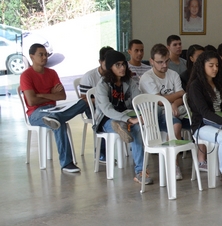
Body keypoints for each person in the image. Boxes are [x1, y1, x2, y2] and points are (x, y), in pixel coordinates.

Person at [20, 43, 89, 173]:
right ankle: (67, 163)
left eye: (46, 54)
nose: (44, 57)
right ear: (32, 57)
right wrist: (51, 95)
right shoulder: (26, 75)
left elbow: (62, 96)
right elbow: (32, 101)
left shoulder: (52, 73)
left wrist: (41, 95)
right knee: (57, 122)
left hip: (54, 109)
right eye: (41, 54)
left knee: (84, 102)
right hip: (36, 113)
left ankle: (100, 129)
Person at [185, 50, 222, 190]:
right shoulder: (195, 86)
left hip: (221, 121)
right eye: (211, 65)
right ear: (202, 66)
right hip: (202, 126)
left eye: (217, 65)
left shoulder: (219, 83)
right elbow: (204, 113)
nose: (215, 69)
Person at [94, 50, 149, 185]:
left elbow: (138, 99)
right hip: (106, 119)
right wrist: (129, 119)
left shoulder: (129, 81)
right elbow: (107, 110)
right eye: (117, 65)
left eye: (123, 64)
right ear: (110, 67)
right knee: (124, 124)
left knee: (136, 128)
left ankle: (141, 172)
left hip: (126, 115)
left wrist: (144, 113)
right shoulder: (102, 85)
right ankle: (122, 125)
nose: (122, 68)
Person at [138, 43, 185, 172]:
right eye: (160, 62)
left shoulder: (173, 74)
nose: (164, 65)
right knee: (176, 125)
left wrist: (174, 103)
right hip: (154, 117)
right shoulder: (147, 78)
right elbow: (159, 101)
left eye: (167, 61)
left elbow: (182, 96)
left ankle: (176, 163)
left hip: (174, 111)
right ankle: (173, 165)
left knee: (186, 122)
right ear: (151, 61)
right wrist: (177, 95)